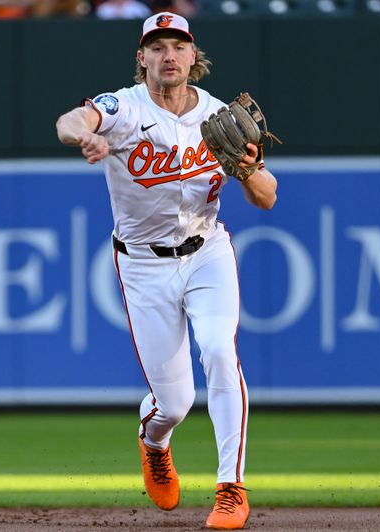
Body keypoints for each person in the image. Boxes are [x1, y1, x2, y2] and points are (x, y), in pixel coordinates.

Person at [55, 12, 277, 530]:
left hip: (207, 251)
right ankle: (154, 441)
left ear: (192, 57)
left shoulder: (221, 115)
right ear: (143, 58)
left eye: (178, 45)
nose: (169, 55)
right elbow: (70, 120)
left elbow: (266, 198)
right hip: (143, 266)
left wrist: (246, 170)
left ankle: (230, 488)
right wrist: (83, 137)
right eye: (158, 47)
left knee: (221, 352)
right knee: (174, 403)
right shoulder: (122, 107)